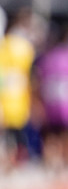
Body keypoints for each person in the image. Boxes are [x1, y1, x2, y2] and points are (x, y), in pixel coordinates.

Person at [36, 29, 68, 171]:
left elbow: (39, 81)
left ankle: (51, 163)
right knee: (66, 134)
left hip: (51, 103)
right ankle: (67, 163)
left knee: (51, 135)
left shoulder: (46, 58)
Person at [0, 10, 37, 168]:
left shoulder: (8, 45)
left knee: (10, 135)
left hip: (10, 99)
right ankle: (11, 161)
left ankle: (10, 161)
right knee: (14, 135)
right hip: (16, 100)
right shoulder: (24, 47)